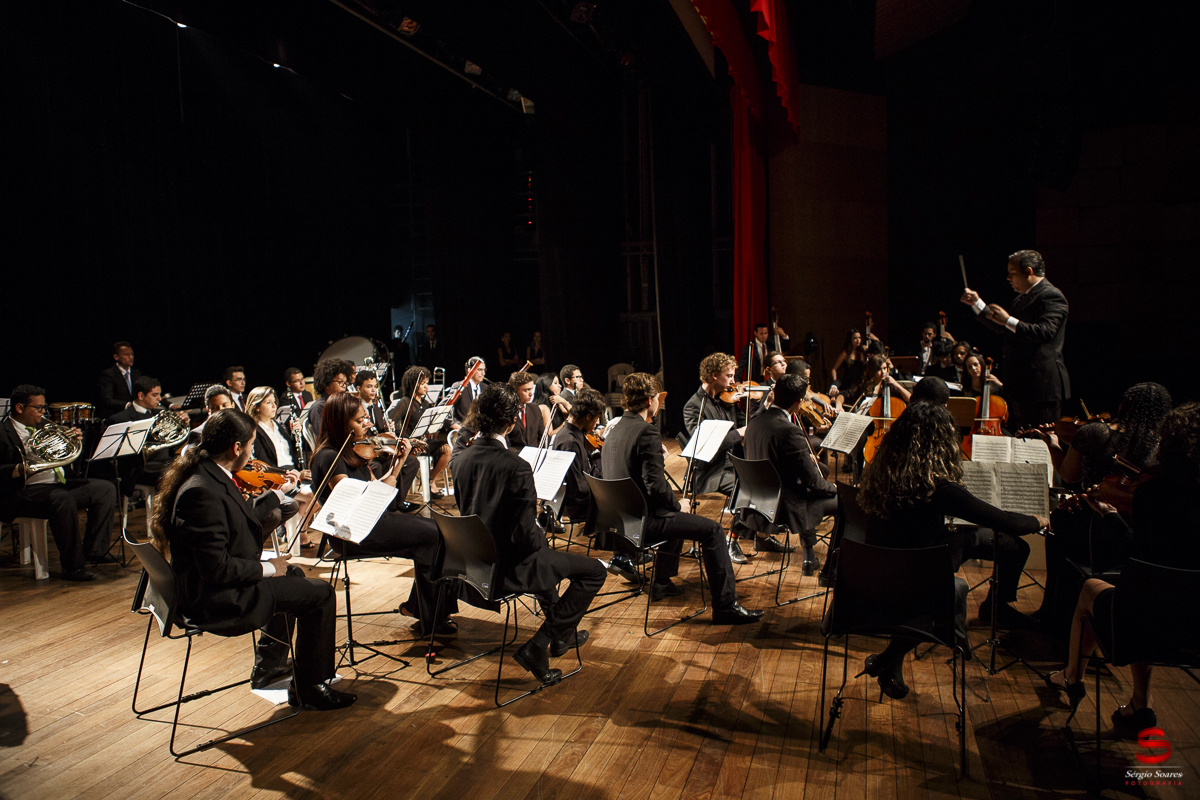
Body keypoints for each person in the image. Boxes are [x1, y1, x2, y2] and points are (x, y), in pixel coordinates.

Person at [151, 408, 354, 710]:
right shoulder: (201, 492)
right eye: (251, 446)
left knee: (294, 576)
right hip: (217, 600)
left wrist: (271, 499)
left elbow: (231, 523)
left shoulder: (206, 473)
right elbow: (217, 569)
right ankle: (310, 686)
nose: (252, 452)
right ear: (236, 447)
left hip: (214, 587)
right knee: (321, 593)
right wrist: (269, 567)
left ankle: (269, 667)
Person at [855, 401, 1048, 698]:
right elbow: (1006, 521)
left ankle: (890, 662)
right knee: (947, 593)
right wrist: (1039, 519)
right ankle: (889, 658)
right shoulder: (940, 488)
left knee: (972, 544)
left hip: (873, 573)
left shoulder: (882, 472)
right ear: (944, 441)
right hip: (912, 578)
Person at [1042, 402, 1200, 735]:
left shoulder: (1154, 493)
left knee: (1092, 587)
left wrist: (1108, 515)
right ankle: (1140, 704)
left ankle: (1072, 676)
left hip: (1146, 617)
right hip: (1193, 624)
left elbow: (1135, 551)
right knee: (1149, 590)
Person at [453, 383, 608, 683]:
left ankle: (561, 636)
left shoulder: (460, 460)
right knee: (593, 571)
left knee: (545, 560)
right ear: (511, 423)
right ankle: (540, 644)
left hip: (473, 564)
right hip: (507, 568)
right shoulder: (517, 466)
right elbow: (525, 539)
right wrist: (540, 530)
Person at [603, 372, 765, 625]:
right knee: (711, 530)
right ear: (649, 401)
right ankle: (725, 607)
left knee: (677, 514)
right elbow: (655, 486)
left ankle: (662, 582)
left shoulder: (614, 429)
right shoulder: (646, 432)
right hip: (644, 523)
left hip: (619, 523)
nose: (658, 402)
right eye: (657, 398)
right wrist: (678, 504)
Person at [309, 393, 452, 635]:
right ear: (340, 424)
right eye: (359, 420)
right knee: (434, 536)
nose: (368, 423)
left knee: (438, 533)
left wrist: (399, 461)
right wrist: (394, 471)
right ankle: (428, 616)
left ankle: (425, 612)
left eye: (365, 418)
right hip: (352, 532)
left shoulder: (354, 452)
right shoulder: (329, 457)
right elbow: (359, 502)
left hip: (374, 521)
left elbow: (379, 490)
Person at [1032, 382, 1172, 628]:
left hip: (1090, 526)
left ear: (1123, 405)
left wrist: (1052, 444)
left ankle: (1053, 614)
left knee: (1058, 523)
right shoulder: (1164, 446)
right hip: (1133, 533)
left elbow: (1069, 475)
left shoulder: (1095, 432)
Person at [1, 385, 118, 579]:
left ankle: (96, 551)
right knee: (61, 499)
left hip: (56, 483)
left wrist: (75, 440)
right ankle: (73, 567)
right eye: (38, 408)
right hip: (22, 491)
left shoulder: (45, 426)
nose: (43, 412)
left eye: (43, 407)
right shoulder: (2, 432)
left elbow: (66, 461)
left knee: (104, 489)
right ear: (19, 408)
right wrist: (20, 469)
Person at [961, 249, 1070, 430]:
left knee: (1040, 439)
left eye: (1012, 273)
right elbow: (1004, 326)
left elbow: (1046, 332)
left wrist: (1008, 320)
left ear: (1028, 271)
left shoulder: (1051, 295)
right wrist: (977, 303)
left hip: (1041, 388)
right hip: (1022, 386)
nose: (1008, 278)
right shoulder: (1022, 299)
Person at [740, 374, 838, 575]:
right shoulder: (790, 430)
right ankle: (828, 568)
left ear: (773, 393)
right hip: (783, 506)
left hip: (757, 501)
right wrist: (835, 488)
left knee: (805, 484)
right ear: (799, 402)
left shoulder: (754, 422)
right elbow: (814, 482)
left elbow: (773, 460)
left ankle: (810, 556)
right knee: (842, 501)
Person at [682, 353, 770, 562]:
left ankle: (762, 536)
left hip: (733, 464)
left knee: (766, 483)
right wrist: (739, 434)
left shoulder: (726, 400)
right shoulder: (694, 406)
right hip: (711, 469)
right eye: (729, 376)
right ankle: (732, 541)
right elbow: (706, 443)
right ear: (714, 376)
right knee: (751, 491)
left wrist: (760, 408)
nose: (734, 381)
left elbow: (746, 426)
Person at [245, 386, 311, 535]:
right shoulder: (255, 430)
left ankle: (293, 530)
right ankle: (298, 534)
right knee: (311, 496)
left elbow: (289, 453)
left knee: (320, 491)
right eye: (268, 402)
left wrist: (295, 435)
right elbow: (265, 464)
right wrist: (296, 474)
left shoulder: (278, 425)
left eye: (274, 401)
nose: (274, 405)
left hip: (291, 472)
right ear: (256, 407)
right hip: (276, 477)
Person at [106, 376, 177, 494]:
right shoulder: (120, 419)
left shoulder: (160, 414)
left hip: (164, 462)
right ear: (141, 396)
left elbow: (172, 443)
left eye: (159, 394)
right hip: (139, 470)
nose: (159, 399)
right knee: (171, 474)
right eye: (154, 395)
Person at [388, 366, 452, 497]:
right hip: (410, 443)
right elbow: (391, 420)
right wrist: (405, 438)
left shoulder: (425, 403)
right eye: (422, 383)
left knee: (447, 450)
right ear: (413, 384)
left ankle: (430, 480)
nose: (426, 387)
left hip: (423, 441)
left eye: (426, 383)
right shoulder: (405, 402)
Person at [552, 387, 605, 522]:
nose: (598, 423)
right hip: (576, 506)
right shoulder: (569, 442)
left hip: (582, 496)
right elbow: (578, 489)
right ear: (588, 416)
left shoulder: (575, 434)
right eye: (597, 418)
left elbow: (587, 471)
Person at [307, 359, 354, 441]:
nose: (344, 386)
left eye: (345, 383)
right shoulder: (319, 407)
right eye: (340, 382)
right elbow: (324, 438)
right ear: (327, 383)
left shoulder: (340, 403)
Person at [97, 341, 142, 420]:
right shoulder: (108, 374)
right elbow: (107, 400)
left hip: (134, 416)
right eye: (126, 354)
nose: (131, 357)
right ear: (116, 357)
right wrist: (128, 405)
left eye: (132, 354)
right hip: (116, 416)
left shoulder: (137, 373)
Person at [507, 371, 546, 450]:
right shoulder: (506, 411)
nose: (531, 394)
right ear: (515, 391)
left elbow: (541, 438)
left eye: (531, 389)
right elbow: (506, 444)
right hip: (515, 459)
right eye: (526, 390)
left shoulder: (535, 409)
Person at [831, 329, 866, 399]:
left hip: (858, 384)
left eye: (859, 338)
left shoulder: (863, 350)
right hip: (847, 383)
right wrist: (835, 383)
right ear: (850, 340)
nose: (858, 340)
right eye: (855, 338)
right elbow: (833, 369)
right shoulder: (845, 354)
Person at [452, 357, 487, 426]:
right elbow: (446, 409)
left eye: (484, 370)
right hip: (462, 430)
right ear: (470, 370)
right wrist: (455, 425)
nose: (483, 373)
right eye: (480, 370)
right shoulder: (459, 386)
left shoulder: (485, 388)